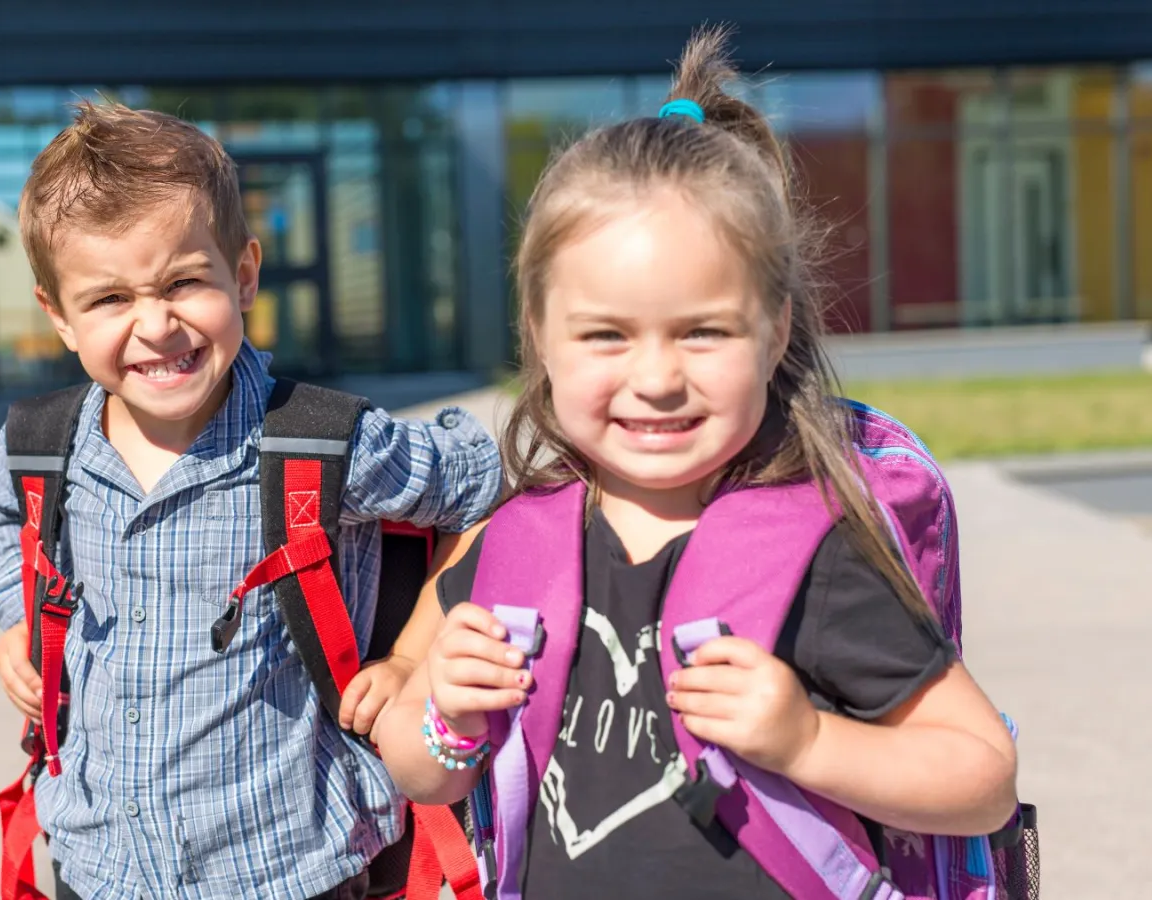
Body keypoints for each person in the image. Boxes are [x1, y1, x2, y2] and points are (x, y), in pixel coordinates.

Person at [371, 27, 1019, 899]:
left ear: (775, 331)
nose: (657, 379)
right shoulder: (515, 545)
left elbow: (983, 782)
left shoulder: (817, 555)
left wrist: (809, 743)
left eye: (702, 332)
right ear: (540, 338)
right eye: (606, 335)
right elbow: (427, 776)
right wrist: (442, 714)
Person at [0, 98, 503, 900]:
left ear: (245, 274)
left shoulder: (326, 445)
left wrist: (409, 658)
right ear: (59, 317)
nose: (156, 325)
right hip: (97, 865)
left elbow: (485, 489)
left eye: (184, 281)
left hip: (290, 870)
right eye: (110, 300)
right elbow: (7, 516)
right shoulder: (37, 448)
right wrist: (18, 618)